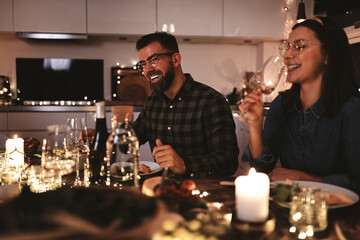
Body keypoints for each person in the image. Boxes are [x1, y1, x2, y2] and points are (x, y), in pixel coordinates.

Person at [239, 16, 360, 193]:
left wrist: (304, 179)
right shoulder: (281, 105)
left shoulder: (351, 109)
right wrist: (255, 126)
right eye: (287, 47)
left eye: (299, 46)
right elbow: (262, 168)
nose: (287, 55)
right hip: (292, 209)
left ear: (327, 56)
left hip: (340, 216)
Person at [133, 32, 239, 177]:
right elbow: (130, 139)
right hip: (161, 188)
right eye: (143, 64)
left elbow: (228, 161)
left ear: (175, 60)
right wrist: (107, 138)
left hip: (204, 191)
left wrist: (184, 164)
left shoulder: (211, 101)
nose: (148, 70)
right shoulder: (153, 103)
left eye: (154, 60)